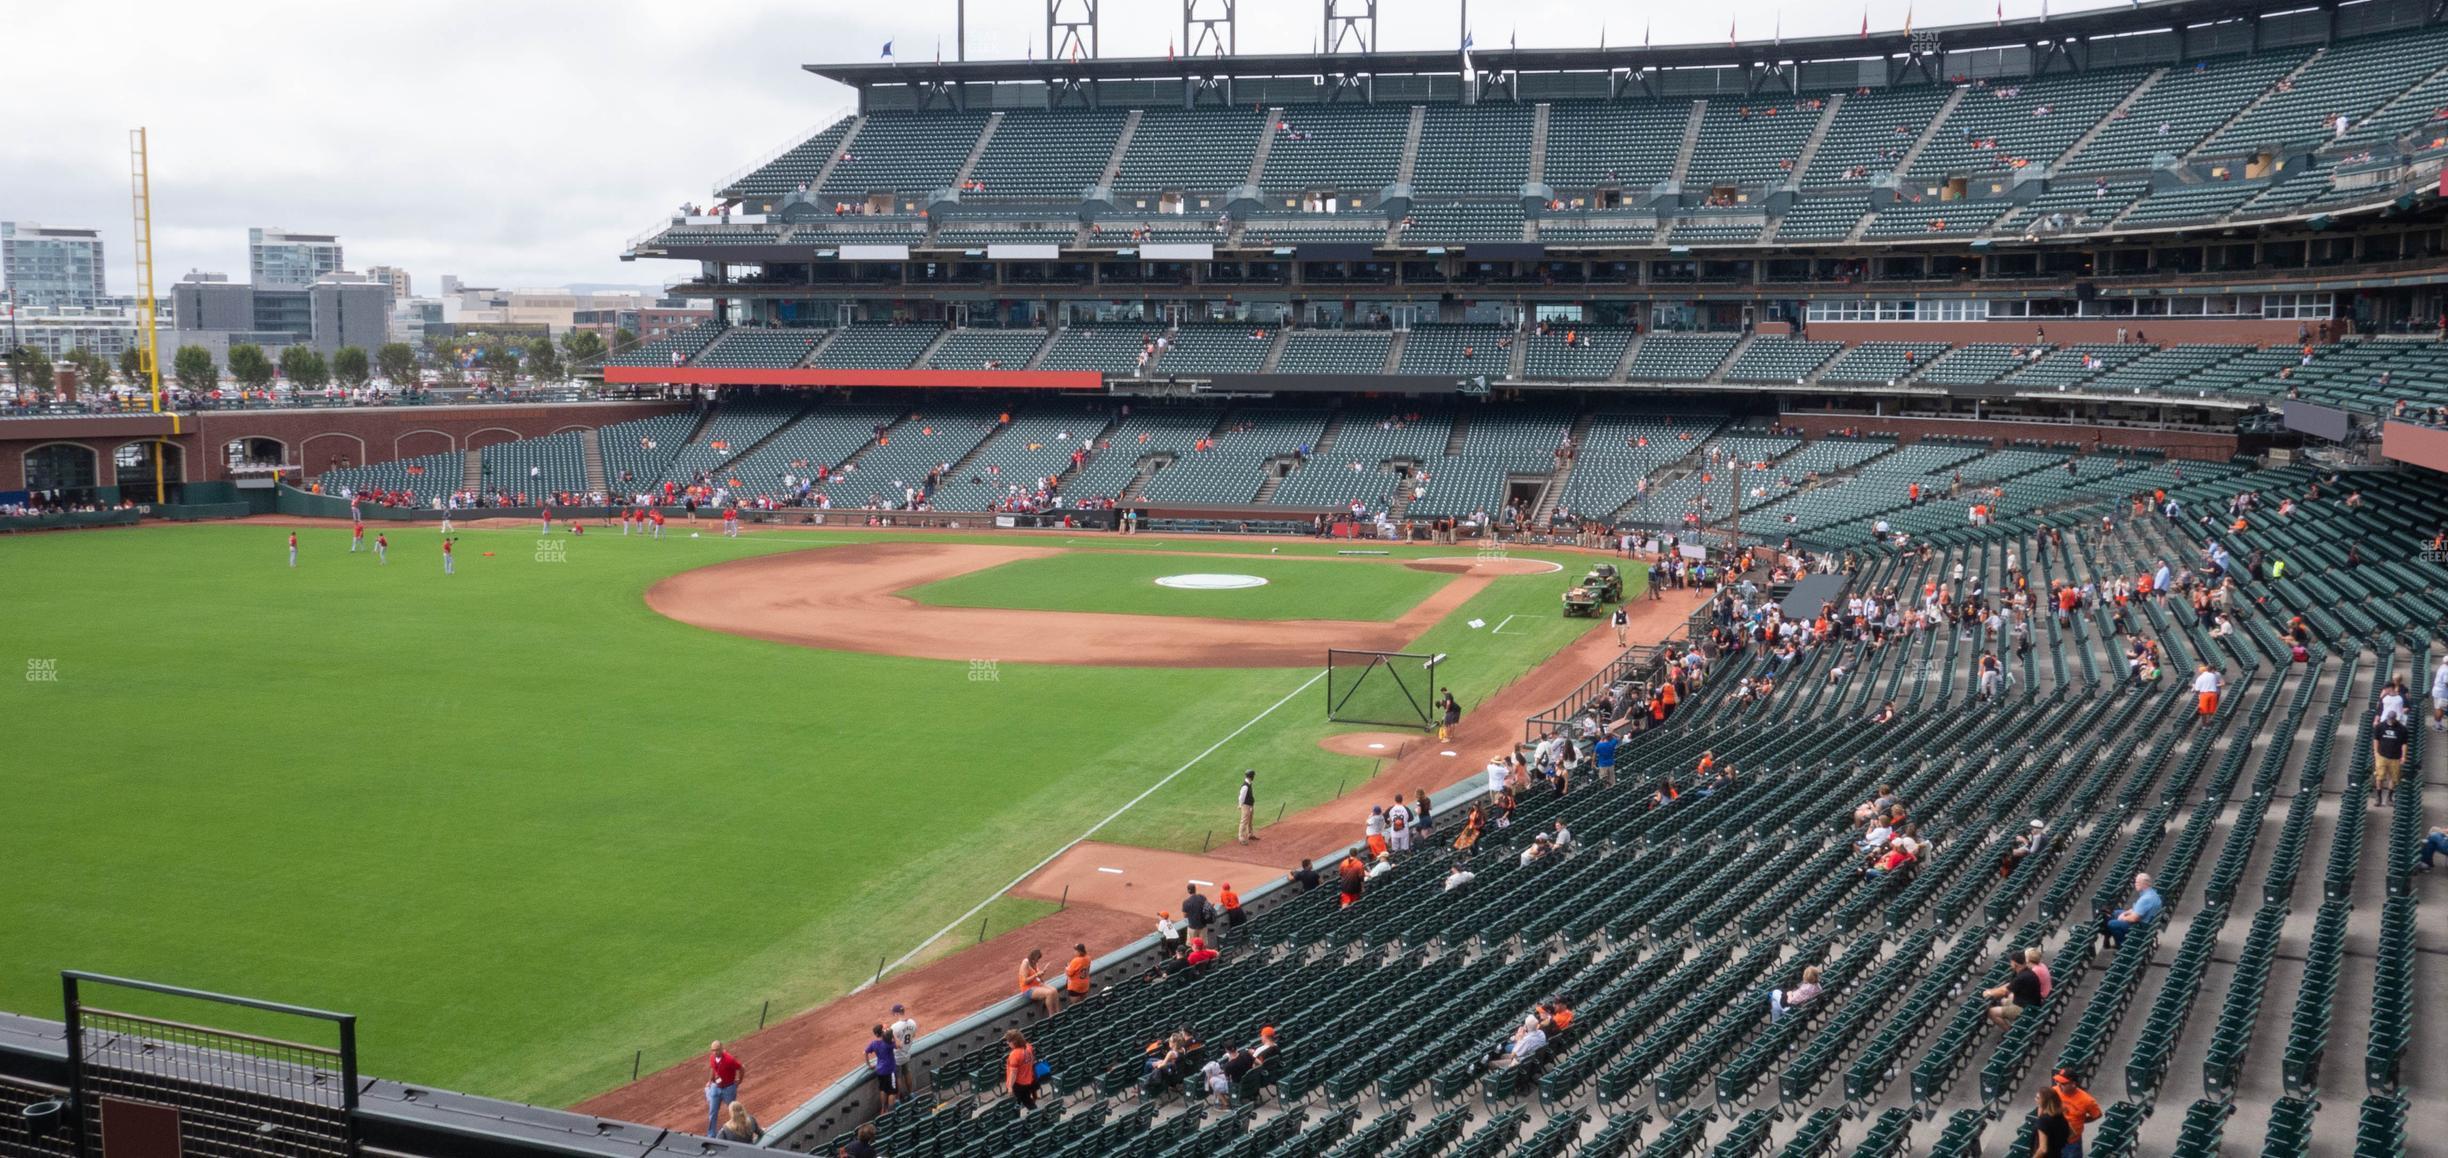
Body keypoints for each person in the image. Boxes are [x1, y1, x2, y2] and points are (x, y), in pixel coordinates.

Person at [2100, 873, 2162, 949]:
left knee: (2112, 923)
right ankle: (2108, 936)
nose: (2135, 884)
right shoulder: (2152, 893)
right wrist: (2125, 913)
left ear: (2145, 884)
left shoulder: (2145, 899)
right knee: (2116, 913)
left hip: (2141, 926)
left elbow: (2134, 918)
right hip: (2146, 922)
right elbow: (2137, 909)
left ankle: (2122, 946)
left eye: (2138, 883)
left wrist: (2123, 918)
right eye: (2135, 882)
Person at [2052, 1069, 2103, 1157]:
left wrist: (2082, 1120)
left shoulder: (2087, 1100)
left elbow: (2097, 1115)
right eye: (2057, 1082)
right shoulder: (2053, 1091)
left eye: (2063, 1083)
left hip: (2071, 1143)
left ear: (2073, 1083)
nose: (2059, 1085)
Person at [1983, 956, 2042, 1029]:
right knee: (2002, 1000)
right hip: (2028, 1003)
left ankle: (2009, 1032)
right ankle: (2013, 1023)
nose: (2010, 964)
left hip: (2025, 1009)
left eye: (2011, 962)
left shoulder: (2021, 977)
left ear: (2015, 964)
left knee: (1991, 1012)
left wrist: (1989, 993)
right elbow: (2009, 985)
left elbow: (2004, 992)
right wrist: (1992, 991)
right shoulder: (2026, 971)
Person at [705, 1041, 744, 1136]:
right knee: (712, 1112)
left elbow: (741, 1068)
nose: (715, 1052)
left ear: (722, 1048)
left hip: (728, 1089)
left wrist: (740, 1080)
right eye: (713, 1050)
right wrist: (710, 1081)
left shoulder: (729, 1060)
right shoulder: (712, 1058)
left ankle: (739, 1130)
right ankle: (711, 1135)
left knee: (734, 1111)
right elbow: (712, 1069)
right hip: (716, 1087)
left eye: (717, 1050)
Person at [2374, 708, 2409, 808]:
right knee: (2379, 777)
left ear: (2395, 718)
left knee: (2393, 778)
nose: (2391, 720)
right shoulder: (2380, 726)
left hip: (2395, 757)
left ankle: (2389, 797)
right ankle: (2379, 797)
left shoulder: (2402, 729)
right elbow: (2376, 740)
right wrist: (2376, 752)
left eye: (2392, 719)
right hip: (2382, 755)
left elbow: (2404, 744)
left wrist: (2403, 756)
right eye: (2389, 718)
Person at [1002, 1029, 1039, 1113]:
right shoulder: (1028, 1046)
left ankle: (1017, 1121)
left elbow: (1013, 1073)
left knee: (1015, 1105)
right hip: (1029, 1080)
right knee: (1028, 1102)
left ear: (1014, 1042)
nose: (1007, 1043)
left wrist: (1010, 1087)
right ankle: (1037, 1116)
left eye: (1009, 1041)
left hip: (1018, 1085)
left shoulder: (1014, 1054)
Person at [864, 1025, 899, 1111]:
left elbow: (865, 1052)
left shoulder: (873, 1043)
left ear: (876, 1034)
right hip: (890, 1070)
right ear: (882, 1032)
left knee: (883, 1089)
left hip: (880, 1070)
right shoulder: (888, 1043)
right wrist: (893, 1035)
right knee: (892, 1092)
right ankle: (890, 1111)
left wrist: (869, 1065)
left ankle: (883, 1108)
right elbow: (898, 1045)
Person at [886, 1004, 920, 1095]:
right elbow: (913, 1035)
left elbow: (893, 1043)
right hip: (907, 1053)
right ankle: (910, 1093)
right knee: (907, 1073)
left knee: (898, 1077)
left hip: (897, 1056)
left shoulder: (894, 1027)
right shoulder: (912, 1022)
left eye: (894, 1013)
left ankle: (898, 1099)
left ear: (897, 1014)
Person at [2034, 1087, 2072, 1158]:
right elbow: (2072, 1133)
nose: (2035, 1099)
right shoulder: (2060, 1116)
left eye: (2038, 1098)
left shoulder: (2043, 1121)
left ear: (2045, 1101)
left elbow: (2043, 1149)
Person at [1237, 770, 1258, 843]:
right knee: (1244, 821)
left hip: (1250, 805)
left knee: (1250, 820)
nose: (1254, 777)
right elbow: (1241, 797)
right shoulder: (1245, 786)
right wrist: (1240, 805)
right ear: (1251, 776)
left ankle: (1250, 834)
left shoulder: (1249, 784)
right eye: (1253, 776)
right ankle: (1241, 837)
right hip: (1246, 805)